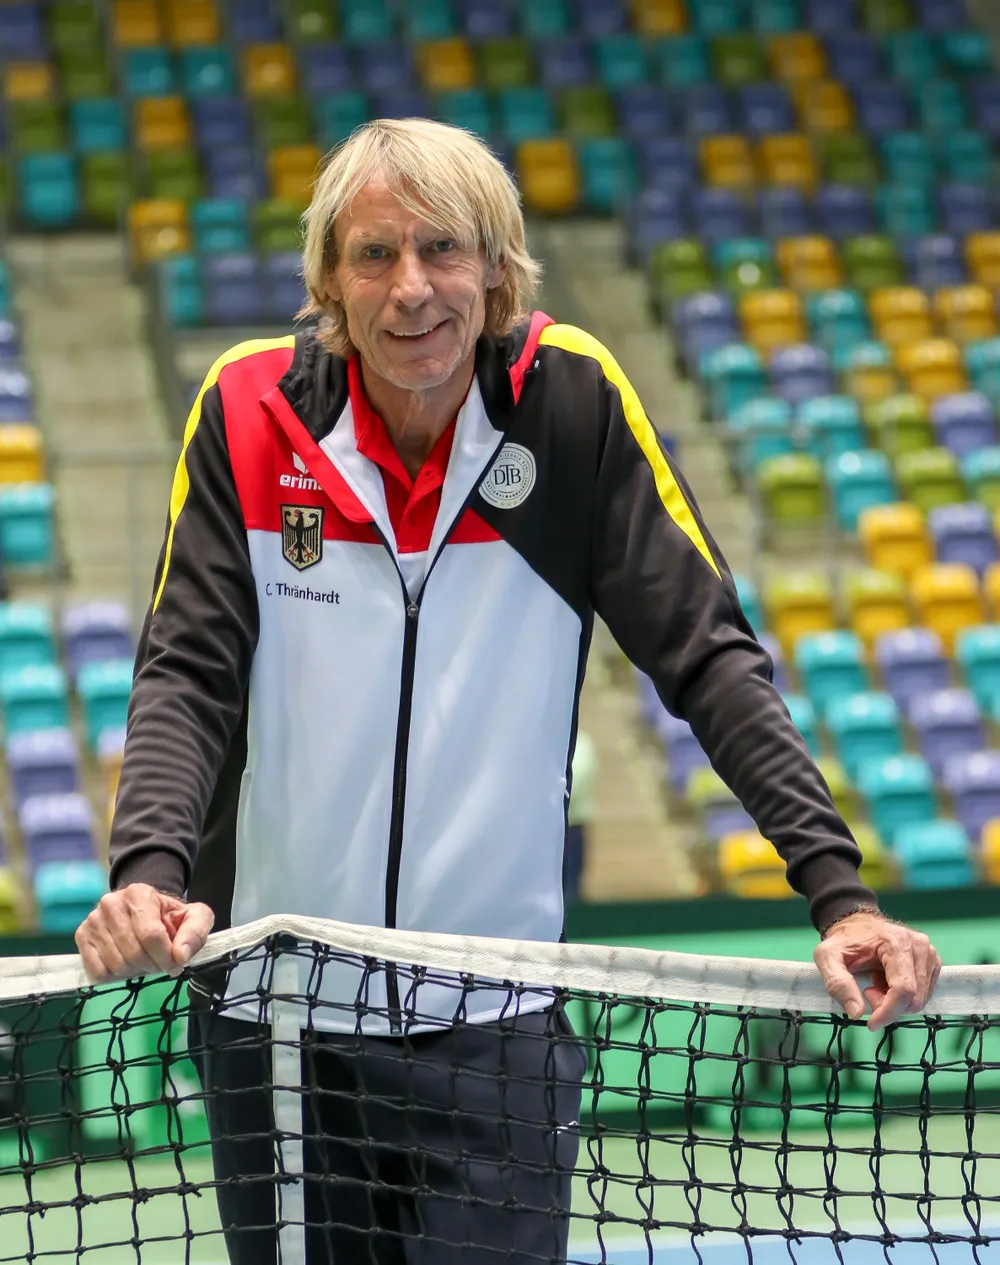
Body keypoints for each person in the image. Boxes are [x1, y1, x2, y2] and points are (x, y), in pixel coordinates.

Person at [75, 119, 941, 1263]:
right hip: (273, 1025)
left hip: (496, 1025)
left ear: (497, 265)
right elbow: (186, 668)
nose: (412, 287)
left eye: (443, 248)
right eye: (374, 254)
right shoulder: (248, 410)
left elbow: (706, 655)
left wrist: (841, 895)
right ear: (330, 279)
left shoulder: (571, 404)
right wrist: (149, 871)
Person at [564, 729, 597, 903]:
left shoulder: (582, 743)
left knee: (571, 888)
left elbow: (578, 781)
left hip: (572, 826)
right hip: (546, 826)